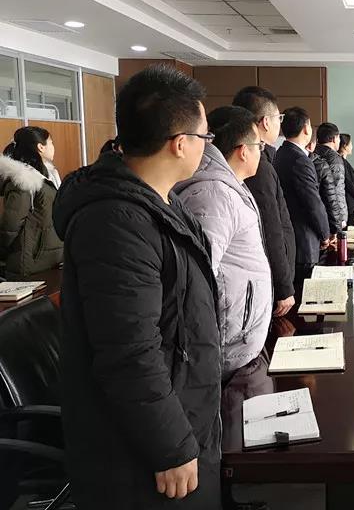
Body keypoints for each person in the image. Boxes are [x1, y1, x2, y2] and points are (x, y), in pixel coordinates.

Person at [53, 65, 221, 508]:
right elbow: (129, 351)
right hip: (142, 456)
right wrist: (171, 446)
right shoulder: (116, 221)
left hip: (182, 416)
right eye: (205, 137)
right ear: (180, 143)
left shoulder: (162, 202)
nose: (207, 147)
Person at [174, 106, 272, 380]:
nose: (262, 153)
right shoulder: (214, 195)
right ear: (243, 151)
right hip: (227, 347)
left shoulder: (226, 186)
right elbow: (197, 281)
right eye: (259, 146)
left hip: (238, 339)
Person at [232, 86, 296, 317]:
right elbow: (270, 228)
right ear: (266, 122)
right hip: (266, 281)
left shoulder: (262, 158)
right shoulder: (257, 167)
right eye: (279, 118)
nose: (280, 124)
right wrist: (284, 287)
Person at [273, 107, 330, 296]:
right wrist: (325, 234)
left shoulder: (280, 154)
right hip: (304, 242)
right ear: (306, 128)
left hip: (290, 239)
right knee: (306, 298)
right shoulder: (300, 160)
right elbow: (313, 203)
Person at [0, 126, 63, 277]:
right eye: (51, 142)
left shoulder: (49, 177)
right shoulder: (24, 180)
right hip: (29, 265)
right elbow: (11, 225)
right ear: (41, 147)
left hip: (49, 262)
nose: (53, 147)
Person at [315, 122, 347, 231]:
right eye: (338, 138)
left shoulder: (312, 154)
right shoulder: (334, 158)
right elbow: (337, 189)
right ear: (334, 139)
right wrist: (341, 218)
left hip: (317, 212)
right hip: (332, 215)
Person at [306, 137, 341, 238]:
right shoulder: (324, 163)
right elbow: (332, 196)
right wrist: (336, 228)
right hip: (320, 224)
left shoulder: (280, 156)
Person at [339, 133, 354, 225]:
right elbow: (349, 183)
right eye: (351, 144)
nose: (352, 146)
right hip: (347, 209)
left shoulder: (343, 162)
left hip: (349, 208)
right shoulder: (341, 163)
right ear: (345, 146)